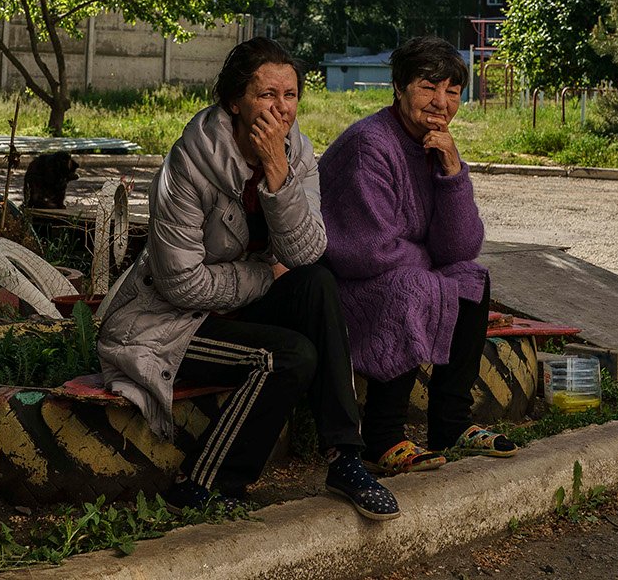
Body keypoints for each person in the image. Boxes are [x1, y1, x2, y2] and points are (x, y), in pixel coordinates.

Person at [96, 37, 399, 519]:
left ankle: (345, 458)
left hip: (232, 307)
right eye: (266, 95)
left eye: (291, 95)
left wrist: (279, 178)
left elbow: (306, 253)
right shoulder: (187, 166)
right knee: (290, 357)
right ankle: (202, 483)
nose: (282, 109)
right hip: (170, 325)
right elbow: (181, 285)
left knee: (317, 283)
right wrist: (264, 275)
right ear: (234, 101)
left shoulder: (296, 154)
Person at [319, 36, 517, 474]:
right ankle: (382, 436)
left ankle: (452, 424)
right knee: (418, 284)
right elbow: (367, 249)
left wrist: (452, 172)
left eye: (452, 91)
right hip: (343, 288)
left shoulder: (435, 145)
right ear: (399, 86)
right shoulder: (369, 144)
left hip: (396, 273)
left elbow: (461, 248)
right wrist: (429, 265)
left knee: (470, 276)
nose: (441, 103)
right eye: (429, 87)